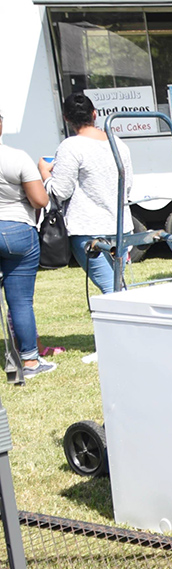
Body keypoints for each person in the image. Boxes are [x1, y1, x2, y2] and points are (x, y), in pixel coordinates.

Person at [39, 94, 133, 295]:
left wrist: (45, 174)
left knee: (112, 289)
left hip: (88, 229)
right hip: (121, 226)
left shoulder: (70, 146)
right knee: (118, 285)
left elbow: (60, 191)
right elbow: (128, 185)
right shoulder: (118, 143)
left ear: (66, 118)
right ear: (95, 114)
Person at [0, 109, 54, 377]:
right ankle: (31, 361)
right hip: (17, 229)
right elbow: (40, 200)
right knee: (20, 301)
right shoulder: (16, 157)